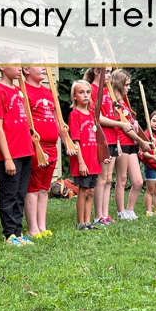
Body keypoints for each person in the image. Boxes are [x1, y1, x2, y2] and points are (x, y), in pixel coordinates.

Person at [0, 51, 34, 245]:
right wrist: (7, 158)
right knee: (8, 194)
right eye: (15, 64)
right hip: (10, 153)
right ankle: (9, 235)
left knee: (20, 194)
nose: (19, 68)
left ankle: (18, 231)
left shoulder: (17, 91)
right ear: (1, 65)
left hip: (25, 151)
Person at [22, 65, 59, 239]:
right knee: (33, 188)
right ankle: (32, 228)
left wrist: (65, 139)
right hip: (37, 146)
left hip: (52, 146)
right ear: (26, 69)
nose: (44, 68)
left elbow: (55, 118)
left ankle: (42, 226)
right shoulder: (23, 90)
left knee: (44, 189)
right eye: (39, 64)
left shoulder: (48, 91)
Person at [108, 70, 149, 220]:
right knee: (122, 179)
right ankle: (120, 211)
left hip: (131, 143)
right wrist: (141, 141)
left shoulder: (124, 102)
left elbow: (130, 124)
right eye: (126, 85)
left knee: (138, 181)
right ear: (119, 85)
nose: (128, 88)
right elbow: (124, 127)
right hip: (122, 142)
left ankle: (130, 209)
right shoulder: (114, 103)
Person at [83, 66, 118, 225]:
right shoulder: (91, 90)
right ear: (97, 72)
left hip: (112, 137)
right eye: (108, 72)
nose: (110, 75)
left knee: (109, 179)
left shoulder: (107, 91)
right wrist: (121, 125)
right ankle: (98, 215)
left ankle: (105, 213)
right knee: (101, 179)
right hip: (101, 139)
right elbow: (97, 117)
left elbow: (112, 114)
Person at [67, 80, 102, 230]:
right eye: (81, 92)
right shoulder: (74, 114)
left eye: (87, 92)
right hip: (83, 159)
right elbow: (75, 141)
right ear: (74, 96)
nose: (85, 95)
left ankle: (88, 221)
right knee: (83, 190)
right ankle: (80, 223)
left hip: (93, 159)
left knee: (91, 190)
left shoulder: (92, 115)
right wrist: (81, 162)